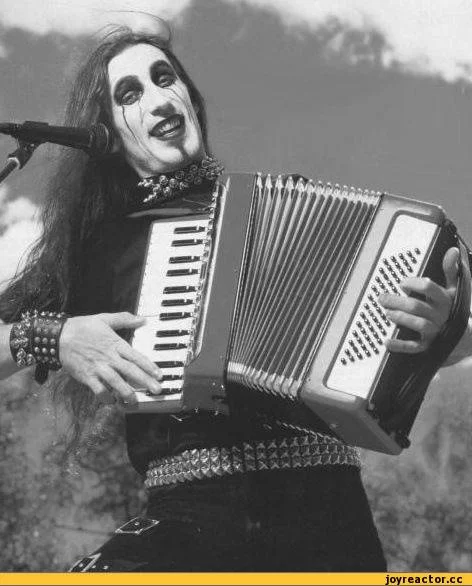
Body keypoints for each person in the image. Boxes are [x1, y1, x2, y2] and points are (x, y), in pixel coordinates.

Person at [0, 22, 471, 572]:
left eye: (164, 78)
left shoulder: (296, 207)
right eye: (129, 94)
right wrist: (54, 336)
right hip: (192, 516)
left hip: (329, 518)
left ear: (190, 97)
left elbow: (428, 347)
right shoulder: (96, 250)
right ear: (105, 132)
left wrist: (440, 332)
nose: (157, 98)